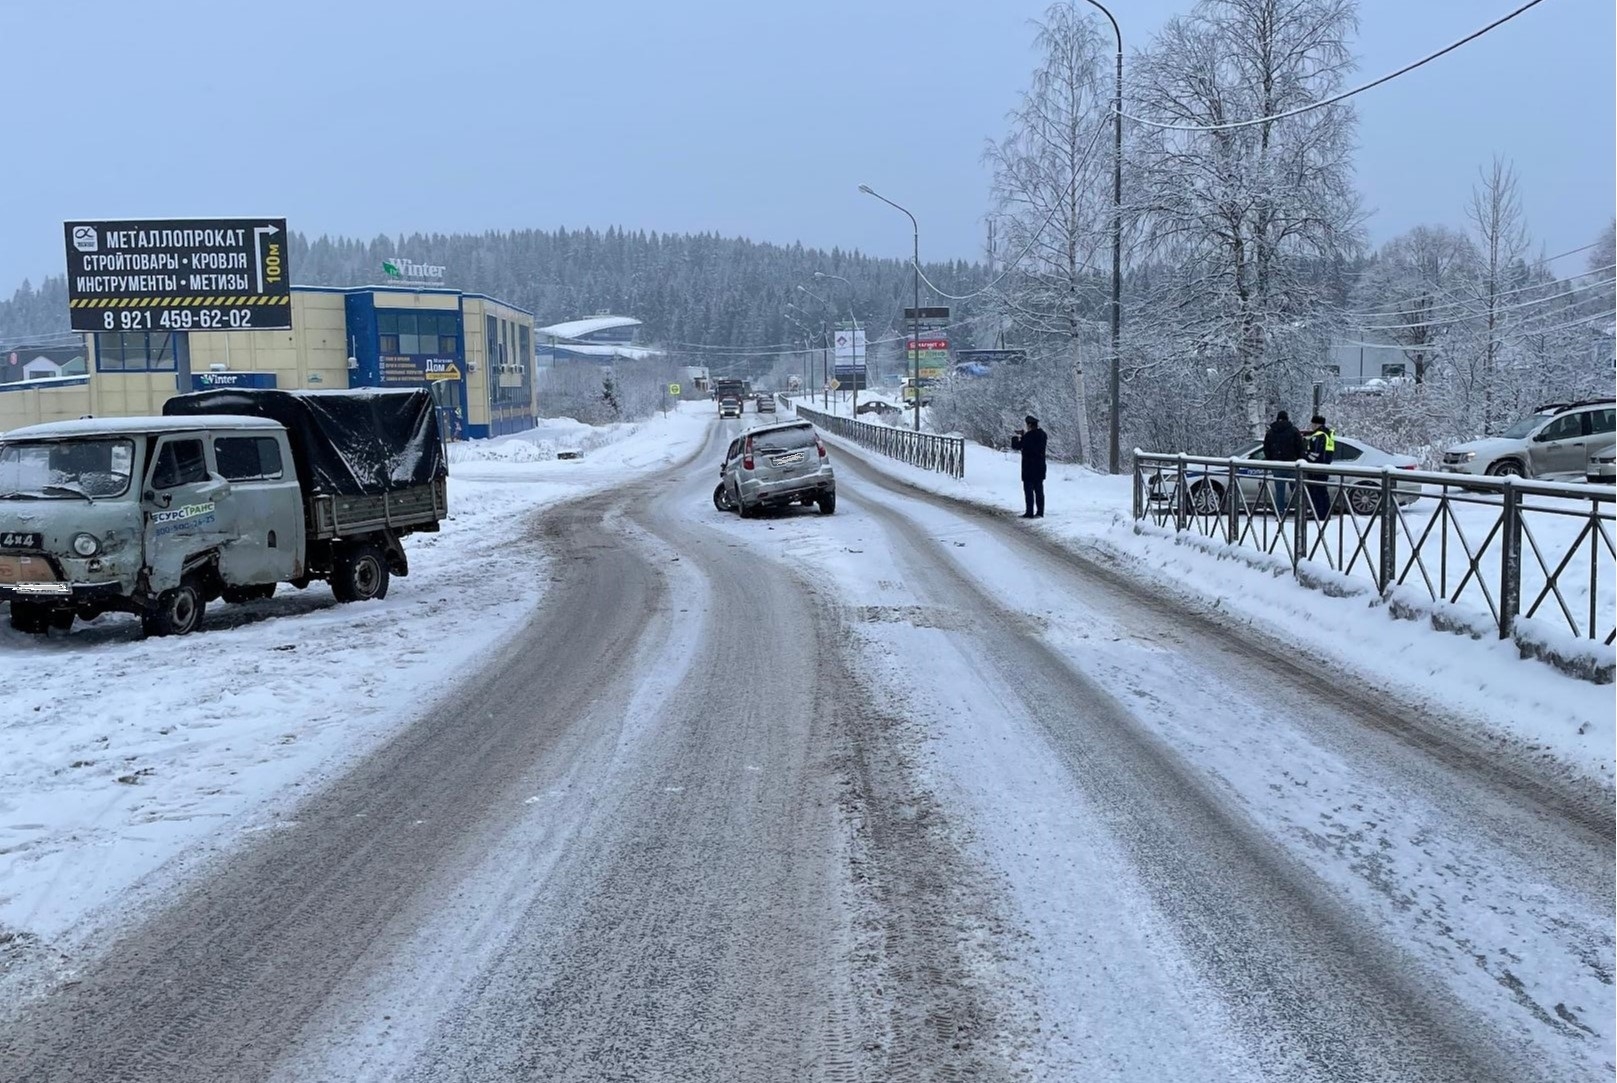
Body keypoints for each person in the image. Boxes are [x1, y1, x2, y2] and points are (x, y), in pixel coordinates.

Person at [1262, 410, 1306, 518]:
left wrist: (1271, 460)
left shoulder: (1271, 432)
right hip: (1292, 464)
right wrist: (1299, 459)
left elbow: (1266, 448)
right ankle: (1299, 512)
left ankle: (1279, 513)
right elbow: (1300, 447)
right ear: (1287, 418)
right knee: (1296, 490)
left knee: (1279, 492)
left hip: (1277, 465)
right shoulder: (1294, 431)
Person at [1010, 415, 1048, 518]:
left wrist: (1015, 437)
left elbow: (1017, 446)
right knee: (1039, 490)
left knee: (1029, 491)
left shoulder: (1028, 436)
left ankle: (1029, 512)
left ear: (1030, 425)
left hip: (1029, 468)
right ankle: (1040, 512)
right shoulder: (1043, 435)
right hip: (1040, 467)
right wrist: (1024, 435)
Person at [1304, 414, 1336, 520]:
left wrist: (1305, 456)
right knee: (1322, 491)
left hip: (1316, 467)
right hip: (1324, 466)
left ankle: (1318, 513)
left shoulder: (1319, 435)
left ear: (1317, 424)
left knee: (1316, 491)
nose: (1312, 426)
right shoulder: (1328, 434)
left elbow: (1315, 454)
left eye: (1313, 424)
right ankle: (1324, 513)